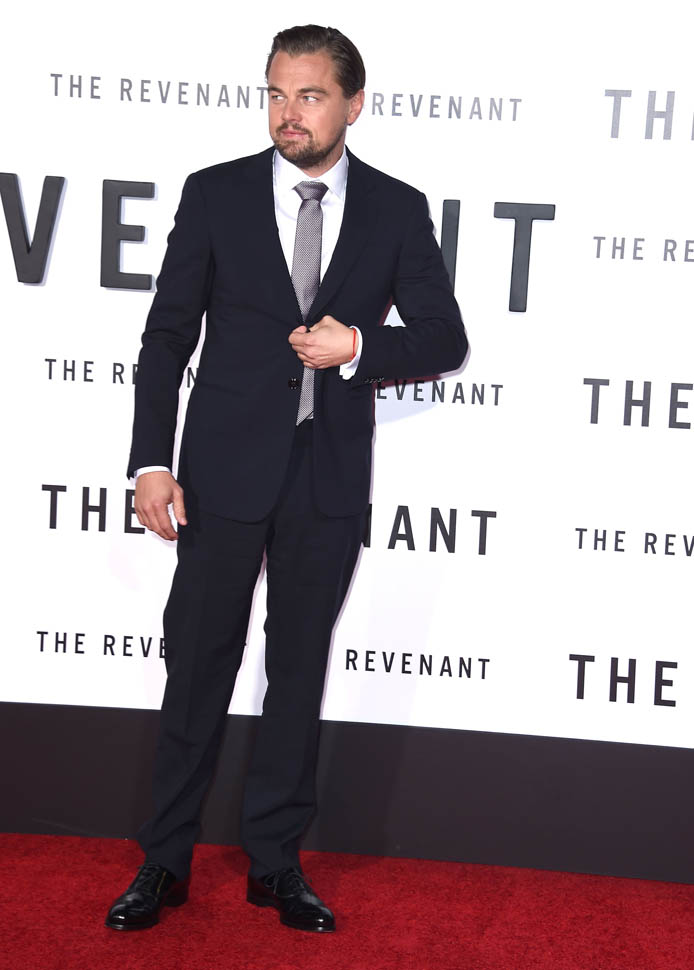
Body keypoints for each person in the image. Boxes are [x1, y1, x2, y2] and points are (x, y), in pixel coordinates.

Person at [105, 23, 467, 935]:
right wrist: (151, 460)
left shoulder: (395, 209)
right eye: (275, 93)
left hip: (325, 478)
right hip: (220, 476)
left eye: (309, 95)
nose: (287, 113)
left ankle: (275, 863)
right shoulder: (216, 193)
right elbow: (166, 338)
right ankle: (163, 859)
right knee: (197, 668)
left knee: (298, 673)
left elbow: (445, 336)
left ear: (353, 104)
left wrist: (360, 347)